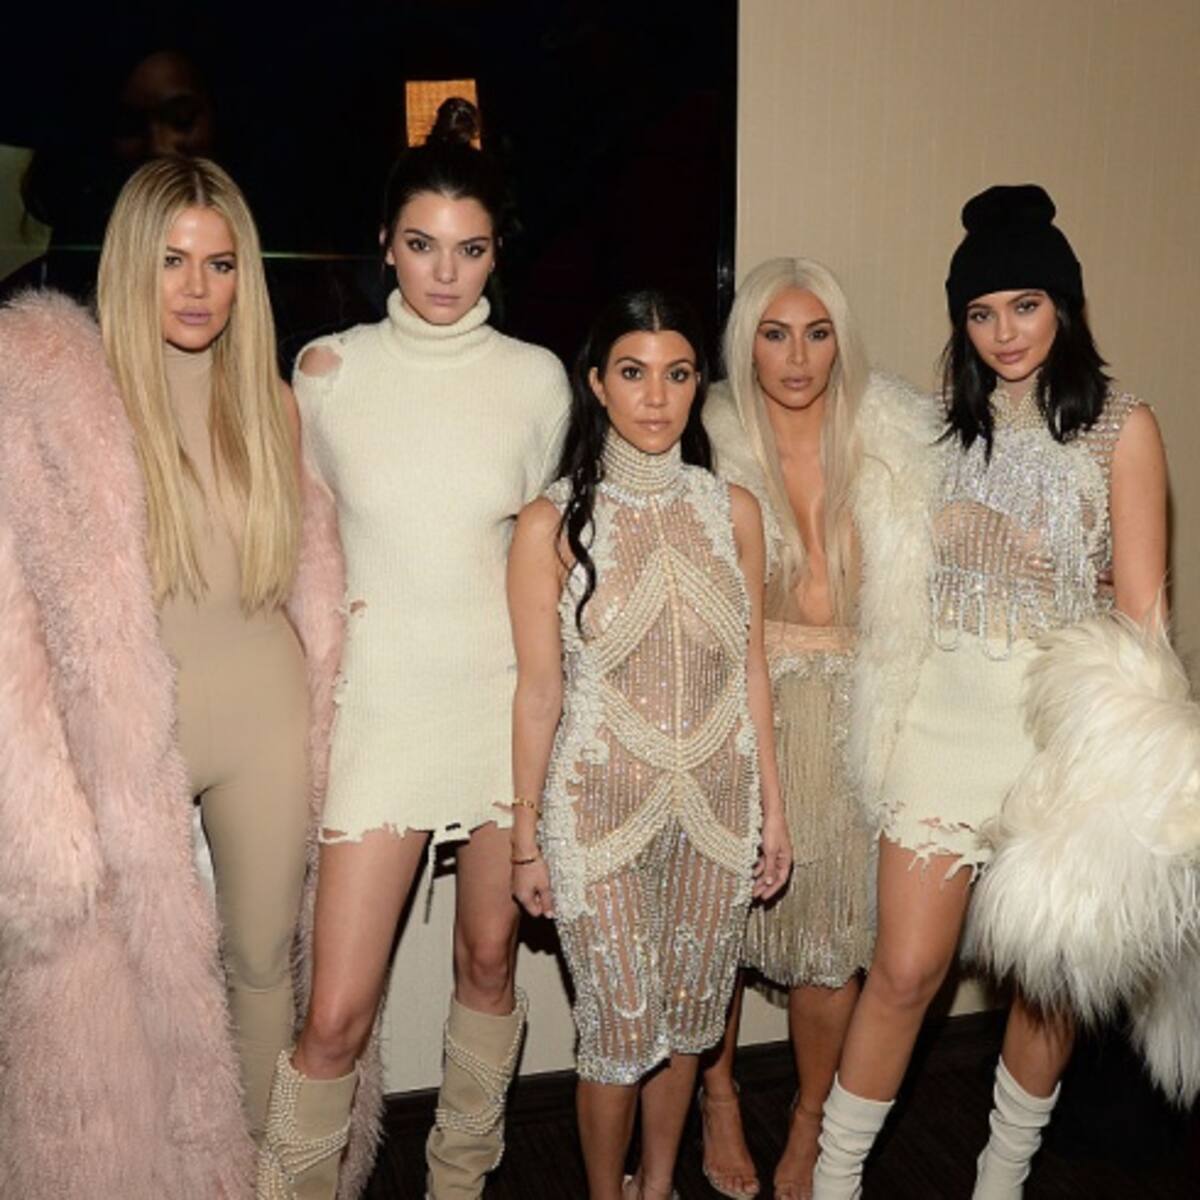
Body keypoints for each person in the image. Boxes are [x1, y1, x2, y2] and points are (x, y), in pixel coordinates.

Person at [0, 155, 366, 1198]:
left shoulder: (274, 406)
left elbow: (307, 576)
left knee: (261, 964)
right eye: (172, 261)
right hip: (133, 728)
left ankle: (265, 1177)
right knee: (122, 992)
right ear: (131, 265)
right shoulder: (73, 404)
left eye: (220, 263)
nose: (198, 288)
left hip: (264, 710)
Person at [811, 184, 1170, 1200]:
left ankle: (1000, 1183)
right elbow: (868, 559)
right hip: (939, 725)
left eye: (1025, 305)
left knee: (1047, 987)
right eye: (980, 312)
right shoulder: (929, 428)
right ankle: (834, 1182)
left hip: (1053, 742)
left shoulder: (1121, 428)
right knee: (904, 974)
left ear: (1064, 305)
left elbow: (1143, 621)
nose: (1004, 332)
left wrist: (1134, 772)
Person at [259, 99, 571, 1200]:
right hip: (381, 714)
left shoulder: (537, 381)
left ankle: (460, 1183)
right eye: (424, 245)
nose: (447, 273)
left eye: (472, 249)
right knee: (335, 1016)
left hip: (496, 711)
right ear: (386, 244)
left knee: (487, 964)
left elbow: (550, 566)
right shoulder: (325, 374)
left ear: (498, 253)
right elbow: (291, 554)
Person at [507, 289, 793, 1200]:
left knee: (691, 1022)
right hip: (597, 814)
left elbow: (751, 670)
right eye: (633, 373)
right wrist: (525, 838)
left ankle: (659, 1184)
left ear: (699, 384)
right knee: (621, 1031)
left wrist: (774, 814)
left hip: (719, 809)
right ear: (597, 384)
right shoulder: (551, 523)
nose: (657, 397)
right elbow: (538, 691)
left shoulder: (732, 510)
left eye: (677, 374)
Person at [697, 257, 938, 1200]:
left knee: (834, 940)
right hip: (736, 706)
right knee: (715, 924)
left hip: (855, 714)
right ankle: (718, 1096)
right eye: (775, 334)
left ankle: (810, 1123)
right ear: (746, 345)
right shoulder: (706, 441)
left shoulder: (898, 446)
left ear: (841, 342)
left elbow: (955, 562)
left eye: (817, 333)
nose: (797, 357)